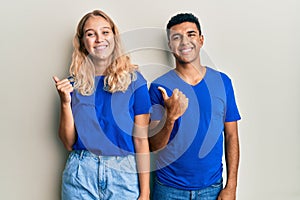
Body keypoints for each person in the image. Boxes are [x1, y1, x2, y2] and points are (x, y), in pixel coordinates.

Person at [53, 10, 150, 200]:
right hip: (81, 172)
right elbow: (68, 143)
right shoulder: (73, 85)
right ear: (82, 42)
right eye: (91, 34)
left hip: (124, 173)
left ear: (114, 36)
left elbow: (141, 140)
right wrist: (65, 102)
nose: (99, 39)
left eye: (105, 32)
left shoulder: (135, 82)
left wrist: (145, 192)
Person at [148, 13, 241, 200]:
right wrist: (170, 117)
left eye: (190, 34)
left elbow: (231, 136)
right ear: (170, 46)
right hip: (168, 189)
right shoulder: (159, 87)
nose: (184, 41)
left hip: (212, 188)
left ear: (201, 40)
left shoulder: (222, 82)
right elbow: (154, 146)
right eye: (176, 37)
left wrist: (231, 186)